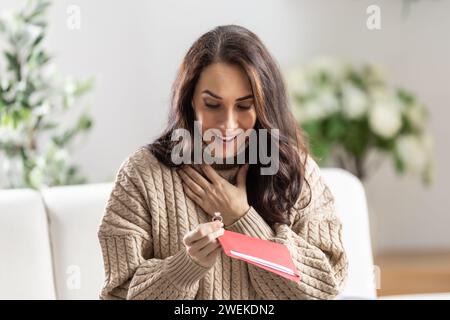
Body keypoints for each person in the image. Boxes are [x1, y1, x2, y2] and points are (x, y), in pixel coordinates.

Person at [97, 24, 348, 300]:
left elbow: (324, 288)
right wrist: (187, 266)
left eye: (244, 106)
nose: (227, 125)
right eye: (213, 105)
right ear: (190, 99)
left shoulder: (296, 169)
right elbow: (117, 295)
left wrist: (242, 219)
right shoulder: (142, 175)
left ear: (265, 106)